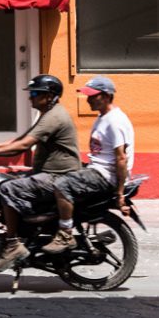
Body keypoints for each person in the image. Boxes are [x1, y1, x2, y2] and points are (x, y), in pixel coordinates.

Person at [0, 74, 81, 272]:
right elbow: (20, 140)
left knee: (8, 189)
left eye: (35, 93)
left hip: (58, 176)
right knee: (8, 182)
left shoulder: (54, 117)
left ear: (50, 96)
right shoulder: (48, 114)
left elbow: (22, 146)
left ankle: (13, 244)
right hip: (48, 173)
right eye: (31, 93)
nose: (31, 97)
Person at [42, 76, 135, 254]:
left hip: (105, 176)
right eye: (88, 96)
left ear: (107, 96)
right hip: (97, 169)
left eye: (93, 96)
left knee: (61, 185)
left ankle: (66, 234)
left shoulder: (114, 121)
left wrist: (120, 193)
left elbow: (121, 159)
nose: (89, 100)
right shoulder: (104, 117)